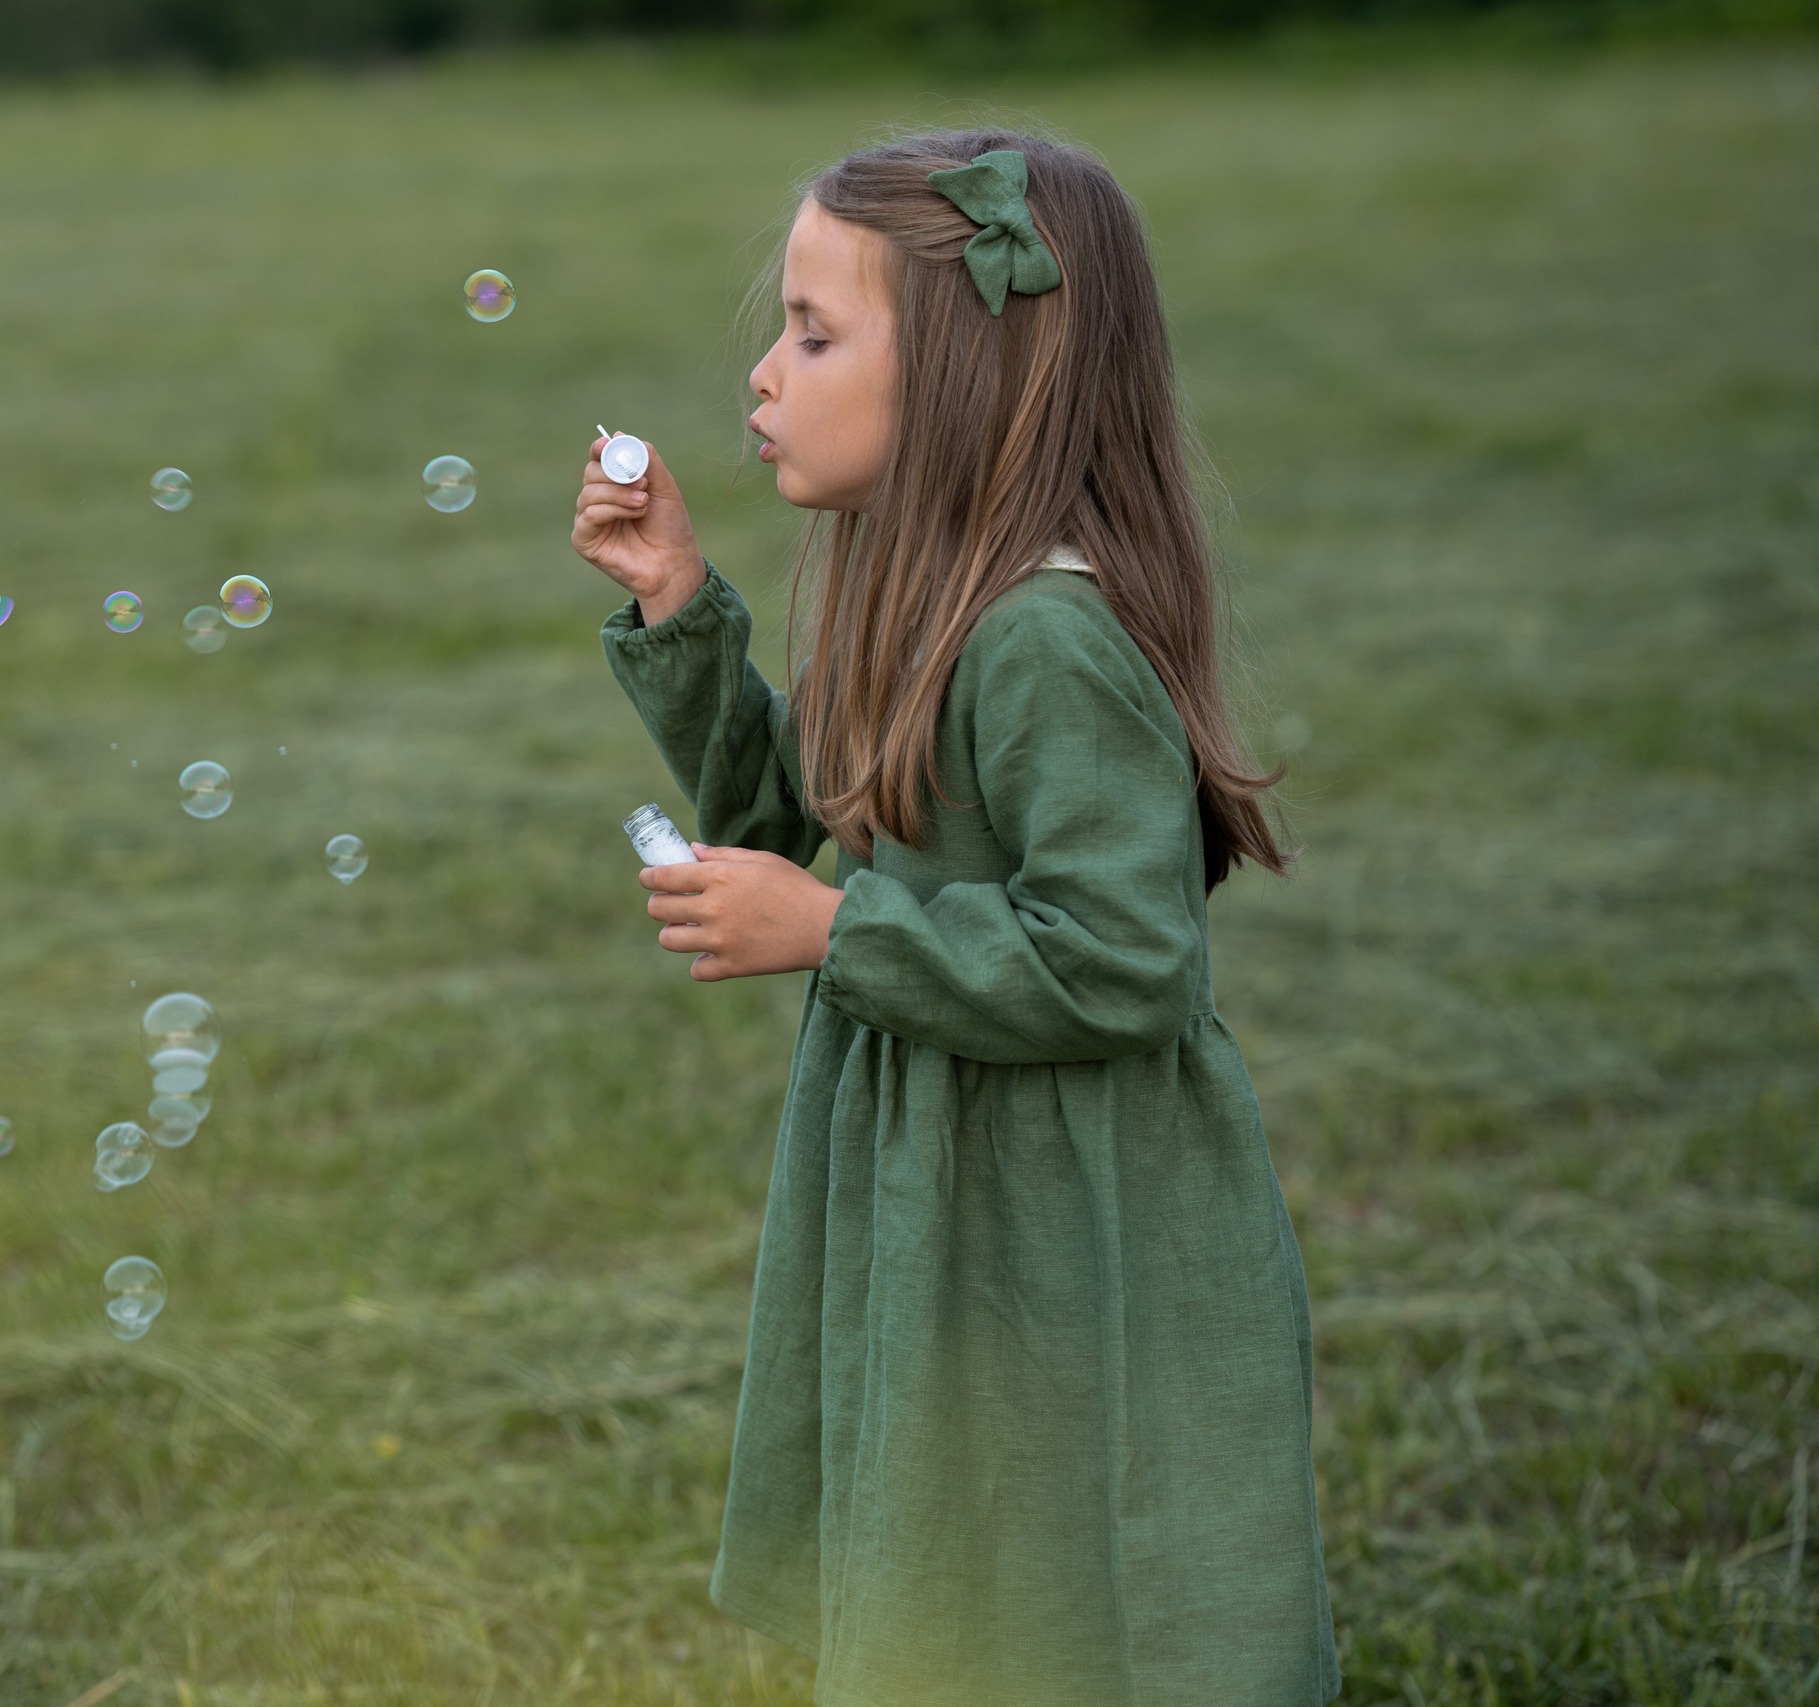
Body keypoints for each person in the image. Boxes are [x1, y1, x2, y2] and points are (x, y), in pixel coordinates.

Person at [569, 129, 1339, 1706]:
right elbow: (812, 825)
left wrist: (834, 936)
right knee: (959, 1540)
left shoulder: (1049, 641)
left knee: (1060, 1547)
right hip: (950, 1182)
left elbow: (1123, 960)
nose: (767, 375)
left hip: (1073, 1214)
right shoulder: (922, 597)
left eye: (816, 332)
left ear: (977, 378)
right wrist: (677, 604)